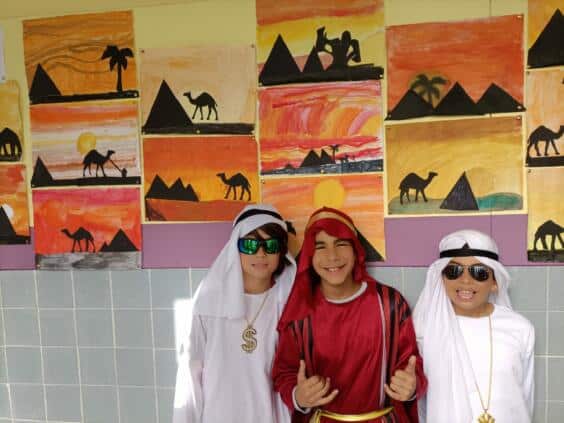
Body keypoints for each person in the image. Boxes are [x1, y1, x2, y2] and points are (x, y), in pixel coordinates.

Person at [272, 207, 427, 422]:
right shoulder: (300, 311)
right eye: (320, 246)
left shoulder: (389, 303)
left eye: (341, 244)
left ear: (356, 250)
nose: (332, 256)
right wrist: (298, 396)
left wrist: (411, 385)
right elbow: (285, 372)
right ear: (309, 255)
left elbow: (411, 364)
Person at [173, 204, 297, 423]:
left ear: (281, 251)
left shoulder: (288, 300)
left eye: (270, 245)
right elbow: (189, 376)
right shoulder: (209, 300)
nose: (260, 253)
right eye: (250, 244)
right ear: (234, 249)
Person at [413, 229, 535, 423]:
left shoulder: (520, 328)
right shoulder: (424, 329)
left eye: (479, 272)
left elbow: (525, 395)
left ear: (495, 282)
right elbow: (418, 398)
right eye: (454, 271)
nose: (465, 280)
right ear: (441, 279)